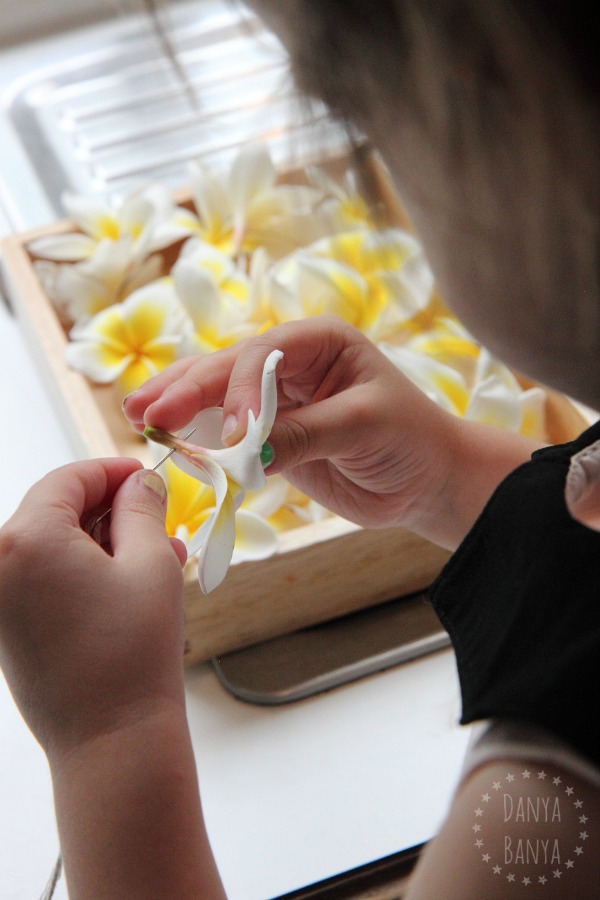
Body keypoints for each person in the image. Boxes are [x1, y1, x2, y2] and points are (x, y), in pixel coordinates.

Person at [0, 0, 598, 896]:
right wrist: (454, 481)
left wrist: (111, 735)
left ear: (525, 132)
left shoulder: (549, 806)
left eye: (363, 121)